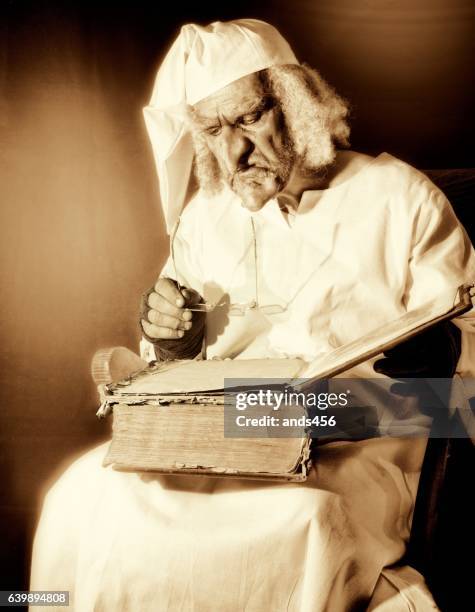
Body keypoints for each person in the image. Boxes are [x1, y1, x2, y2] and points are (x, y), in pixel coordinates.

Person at [30, 19, 475, 611]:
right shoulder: (204, 216)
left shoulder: (402, 198)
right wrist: (173, 340)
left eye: (248, 119)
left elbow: (464, 383)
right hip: (221, 437)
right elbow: (176, 361)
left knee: (295, 522)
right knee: (79, 495)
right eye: (212, 129)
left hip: (357, 440)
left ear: (296, 103)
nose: (233, 150)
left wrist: (442, 357)